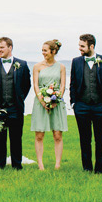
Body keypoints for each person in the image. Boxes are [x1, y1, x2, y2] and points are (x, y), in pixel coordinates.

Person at [69, 33, 102, 174]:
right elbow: (73, 83)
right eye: (79, 45)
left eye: (82, 46)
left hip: (101, 106)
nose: (80, 48)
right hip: (81, 106)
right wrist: (74, 103)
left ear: (91, 46)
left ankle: (100, 170)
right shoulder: (76, 61)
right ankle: (87, 169)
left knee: (100, 140)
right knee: (84, 140)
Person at [0, 37, 31, 169]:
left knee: (16, 138)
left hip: (15, 107)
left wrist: (19, 98)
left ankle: (17, 165)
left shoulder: (22, 64)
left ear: (10, 48)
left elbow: (26, 85)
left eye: (2, 47)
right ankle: (0, 165)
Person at [31, 40, 68, 170]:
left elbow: (63, 85)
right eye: (42, 50)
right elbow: (35, 85)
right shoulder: (37, 67)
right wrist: (42, 101)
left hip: (56, 103)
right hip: (40, 102)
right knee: (39, 135)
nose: (43, 53)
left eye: (45, 50)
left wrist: (56, 99)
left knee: (57, 135)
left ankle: (57, 164)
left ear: (53, 51)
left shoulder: (61, 67)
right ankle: (40, 164)